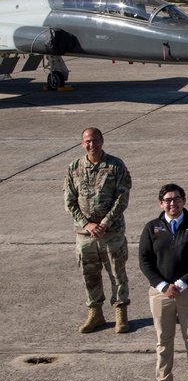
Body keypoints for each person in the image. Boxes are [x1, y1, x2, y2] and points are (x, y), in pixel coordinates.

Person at [138, 184, 188, 381]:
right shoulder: (152, 229)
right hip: (160, 294)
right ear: (161, 204)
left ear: (184, 201)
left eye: (176, 199)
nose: (173, 203)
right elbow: (145, 261)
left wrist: (180, 283)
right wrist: (162, 285)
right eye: (168, 200)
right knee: (163, 340)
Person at [64, 127, 132, 334]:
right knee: (89, 274)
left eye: (94, 140)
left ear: (102, 141)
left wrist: (105, 223)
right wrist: (87, 224)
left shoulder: (115, 165)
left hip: (110, 233)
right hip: (85, 234)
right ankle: (95, 313)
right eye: (87, 141)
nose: (91, 144)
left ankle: (121, 314)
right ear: (82, 143)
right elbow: (69, 201)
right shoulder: (74, 167)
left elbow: (122, 197)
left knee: (117, 274)